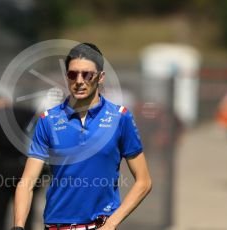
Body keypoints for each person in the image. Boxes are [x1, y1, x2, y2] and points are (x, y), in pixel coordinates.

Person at [12, 43, 152, 230]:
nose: (79, 80)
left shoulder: (120, 117)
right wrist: (18, 226)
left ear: (100, 77)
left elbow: (144, 181)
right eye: (72, 74)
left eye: (87, 74)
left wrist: (111, 224)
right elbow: (26, 183)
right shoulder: (48, 120)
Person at [0, 93, 35, 230]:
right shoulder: (27, 113)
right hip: (28, 169)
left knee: (0, 216)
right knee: (26, 213)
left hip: (4, 171)